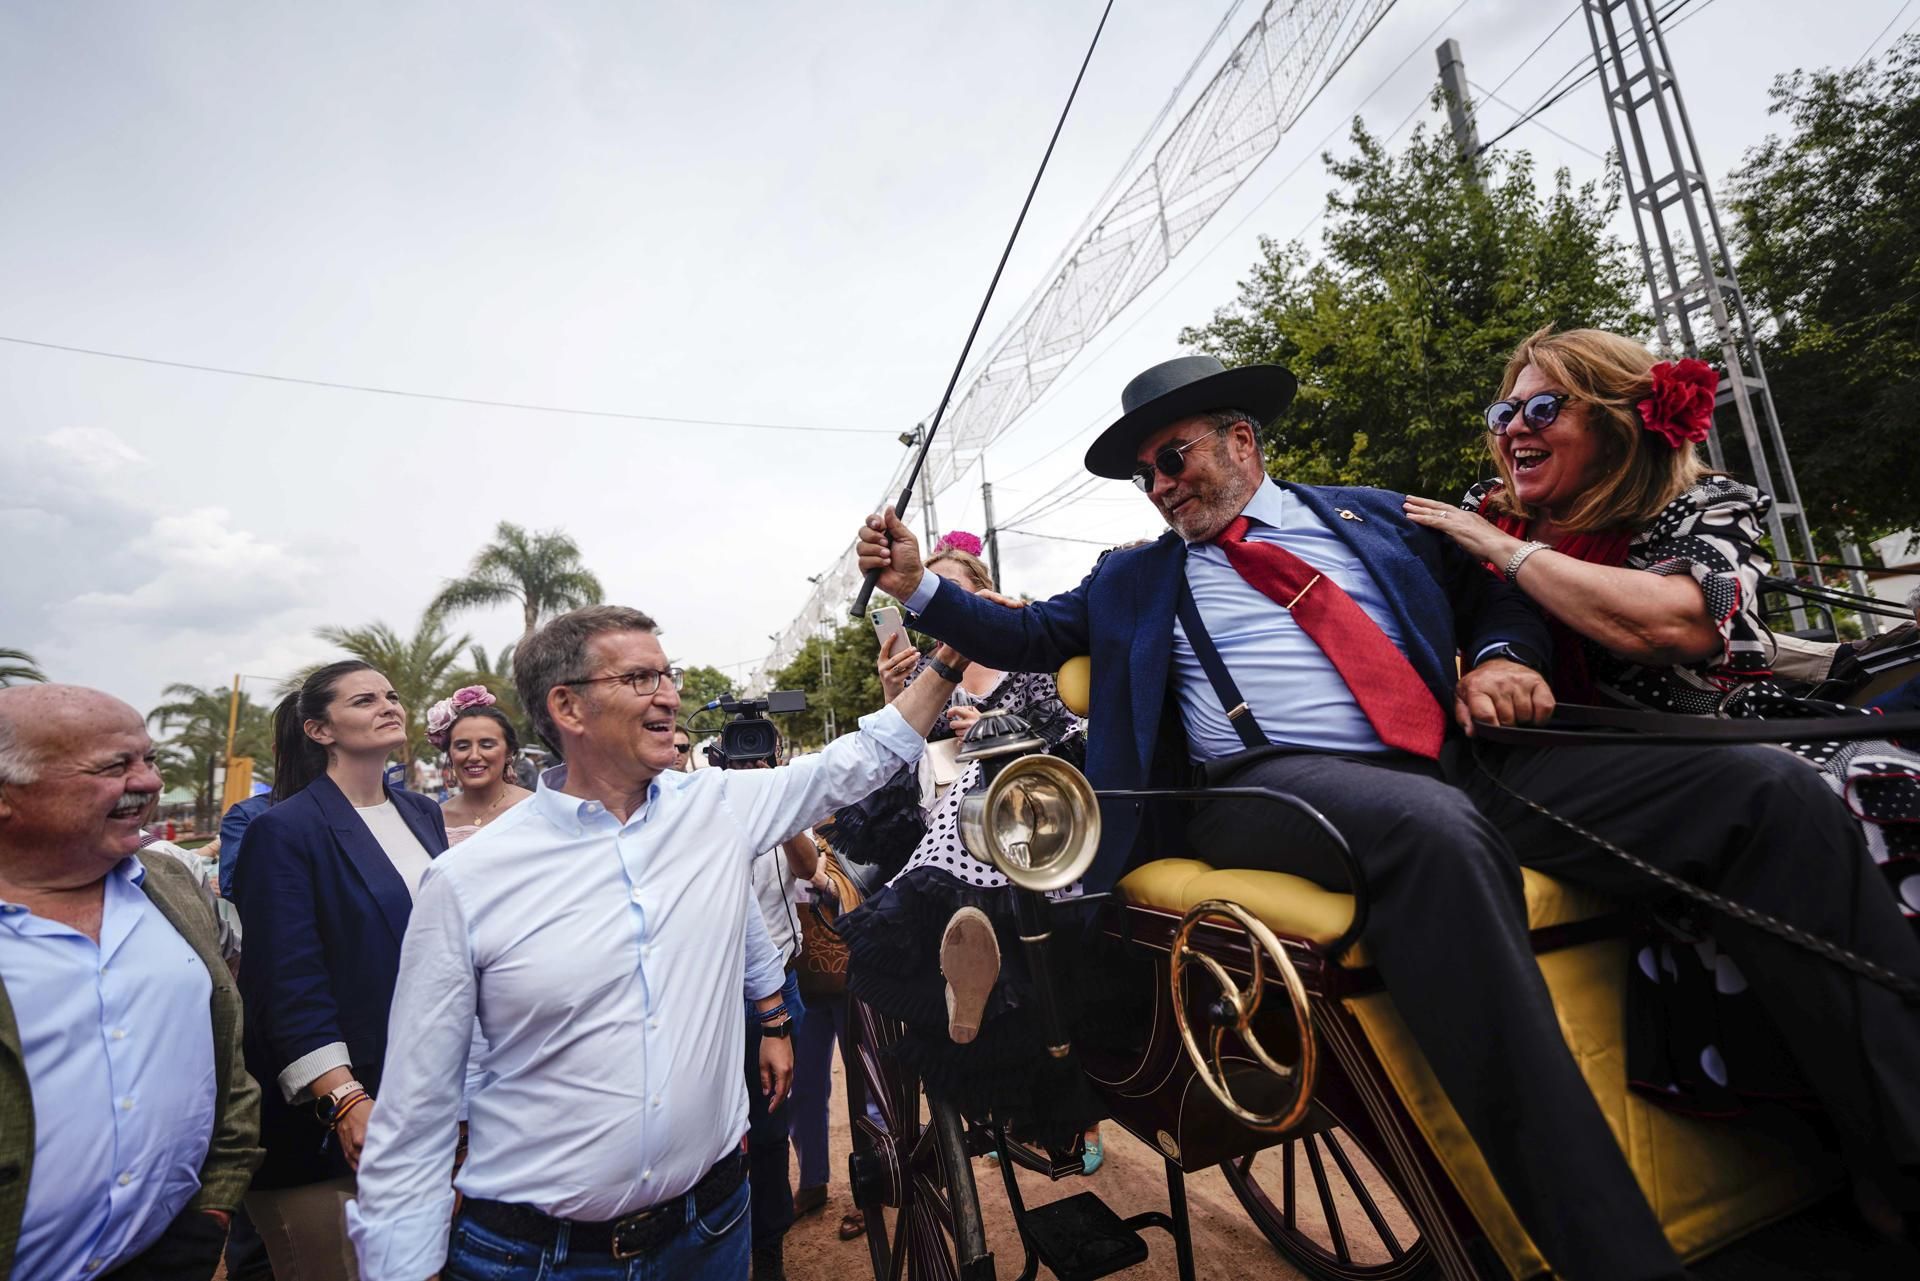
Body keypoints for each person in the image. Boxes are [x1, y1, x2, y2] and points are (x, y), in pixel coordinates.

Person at [858, 353, 1920, 1277]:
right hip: (1264, 787)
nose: (1160, 484)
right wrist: (917, 587)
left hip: (1458, 757)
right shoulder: (1131, 578)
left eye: (1172, 457)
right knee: (1430, 831)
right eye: (1146, 475)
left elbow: (1499, 595)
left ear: (1241, 440)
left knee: (1766, 790)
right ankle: (1610, 1252)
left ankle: (1894, 1162)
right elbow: (1027, 634)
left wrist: (1498, 658)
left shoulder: (1371, 513)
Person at [346, 605, 968, 1281]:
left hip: (712, 1233)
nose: (668, 695)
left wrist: (950, 654)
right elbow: (415, 1114)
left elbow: (860, 759)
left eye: (667, 676)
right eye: (640, 678)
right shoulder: (465, 880)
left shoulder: (716, 808)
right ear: (567, 706)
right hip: (538, 1260)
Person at [843, 537, 1103, 1162]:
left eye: (949, 592)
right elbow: (896, 760)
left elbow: (1073, 731)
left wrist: (998, 733)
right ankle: (966, 991)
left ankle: (1074, 1104)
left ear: (983, 594)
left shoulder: (1030, 654)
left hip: (1037, 815)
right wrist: (894, 697)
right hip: (945, 823)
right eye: (926, 598)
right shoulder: (928, 673)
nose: (937, 606)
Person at [0, 684, 262, 1281]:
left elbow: (227, 1062)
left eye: (149, 758)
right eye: (114, 766)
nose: (148, 781)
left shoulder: (171, 883)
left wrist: (215, 1204)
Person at [232, 661, 449, 1281]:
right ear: (319, 730)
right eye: (363, 700)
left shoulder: (422, 813)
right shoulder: (284, 830)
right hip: (335, 1117)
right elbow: (286, 982)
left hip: (422, 1092)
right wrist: (344, 1097)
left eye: (391, 695)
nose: (388, 706)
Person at [425, 686, 532, 846]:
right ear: (450, 754)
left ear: (508, 752)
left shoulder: (536, 809)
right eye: (462, 747)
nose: (474, 756)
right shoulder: (436, 819)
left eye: (487, 745)